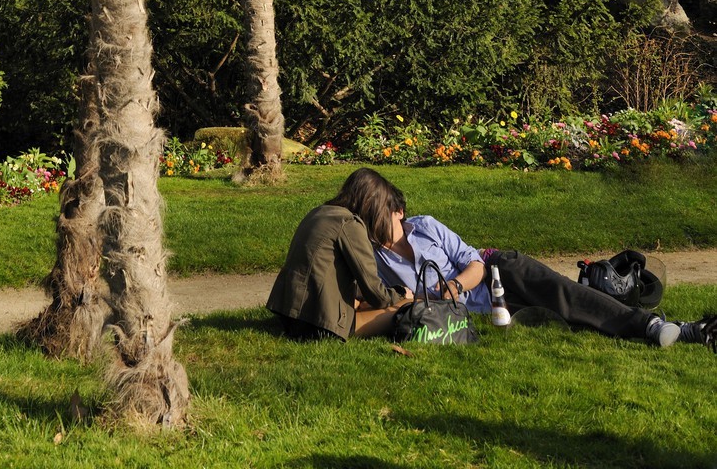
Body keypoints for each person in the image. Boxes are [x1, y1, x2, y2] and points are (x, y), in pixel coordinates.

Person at [344, 166, 716, 350]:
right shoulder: (372, 257)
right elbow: (371, 300)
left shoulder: (424, 226)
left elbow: (472, 260)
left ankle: (659, 327)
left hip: (498, 274)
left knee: (564, 295)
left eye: (394, 213)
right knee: (567, 318)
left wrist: (453, 286)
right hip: (478, 312)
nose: (395, 220)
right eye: (384, 219)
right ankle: (674, 327)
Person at [267, 177, 412, 341]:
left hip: (289, 316)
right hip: (319, 324)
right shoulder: (349, 223)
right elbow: (378, 297)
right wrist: (400, 293)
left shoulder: (318, 212)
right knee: (407, 308)